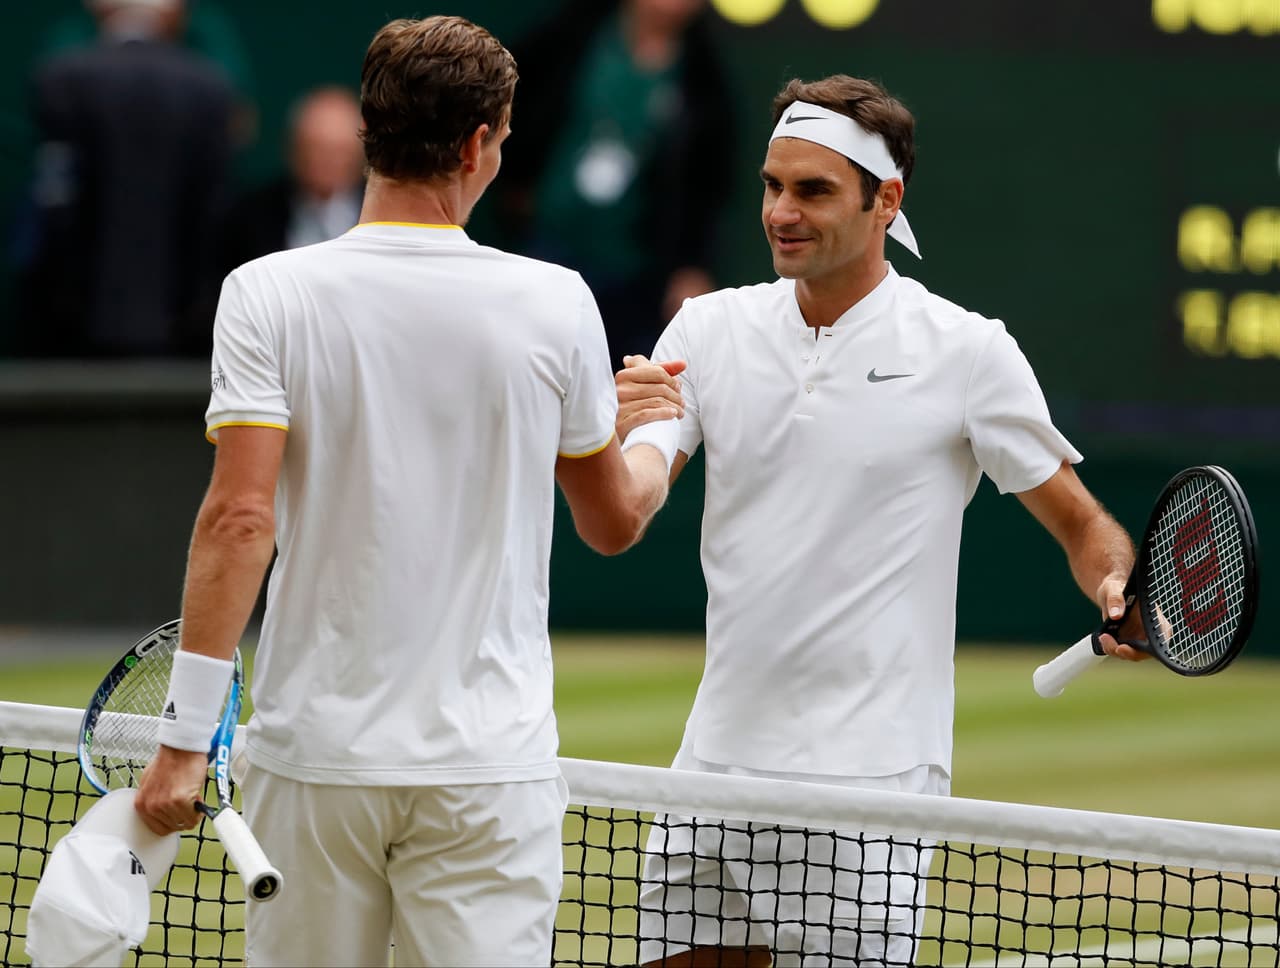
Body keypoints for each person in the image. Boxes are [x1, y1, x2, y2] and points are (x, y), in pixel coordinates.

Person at [133, 15, 674, 966]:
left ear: (374, 131)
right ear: (476, 144)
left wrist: (184, 736)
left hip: (317, 765)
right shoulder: (557, 302)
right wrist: (663, 428)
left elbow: (239, 515)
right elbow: (615, 521)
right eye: (501, 139)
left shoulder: (265, 292)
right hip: (486, 776)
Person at [616, 74, 1149, 966]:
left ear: (885, 199)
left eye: (814, 190)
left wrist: (1112, 579)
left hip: (868, 781)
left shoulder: (969, 351)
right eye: (772, 185)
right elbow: (631, 502)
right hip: (711, 763)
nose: (782, 211)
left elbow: (1080, 520)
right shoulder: (703, 330)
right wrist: (607, 436)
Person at [496, 0, 735, 370]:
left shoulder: (706, 78)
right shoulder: (570, 34)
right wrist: (514, 180)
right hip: (546, 246)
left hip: (635, 274)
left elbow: (708, 186)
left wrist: (693, 265)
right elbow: (509, 94)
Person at [16, 0, 234, 357]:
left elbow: (55, 210)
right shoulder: (209, 87)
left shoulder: (61, 79)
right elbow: (211, 216)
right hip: (181, 327)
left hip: (75, 329)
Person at [216, 86, 365, 277]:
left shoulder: (382, 216)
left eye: (339, 151)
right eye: (316, 148)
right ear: (294, 149)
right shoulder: (248, 217)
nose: (328, 162)